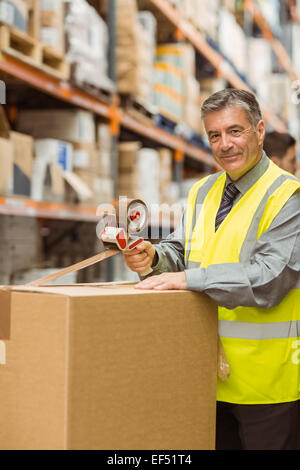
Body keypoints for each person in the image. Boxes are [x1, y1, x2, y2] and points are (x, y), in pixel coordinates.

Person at [123, 88, 300, 450]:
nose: (225, 145)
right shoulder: (203, 191)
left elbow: (269, 278)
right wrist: (154, 258)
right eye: (214, 135)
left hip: (267, 387)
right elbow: (181, 249)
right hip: (205, 375)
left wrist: (188, 278)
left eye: (235, 131)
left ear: (260, 131)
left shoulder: (288, 196)